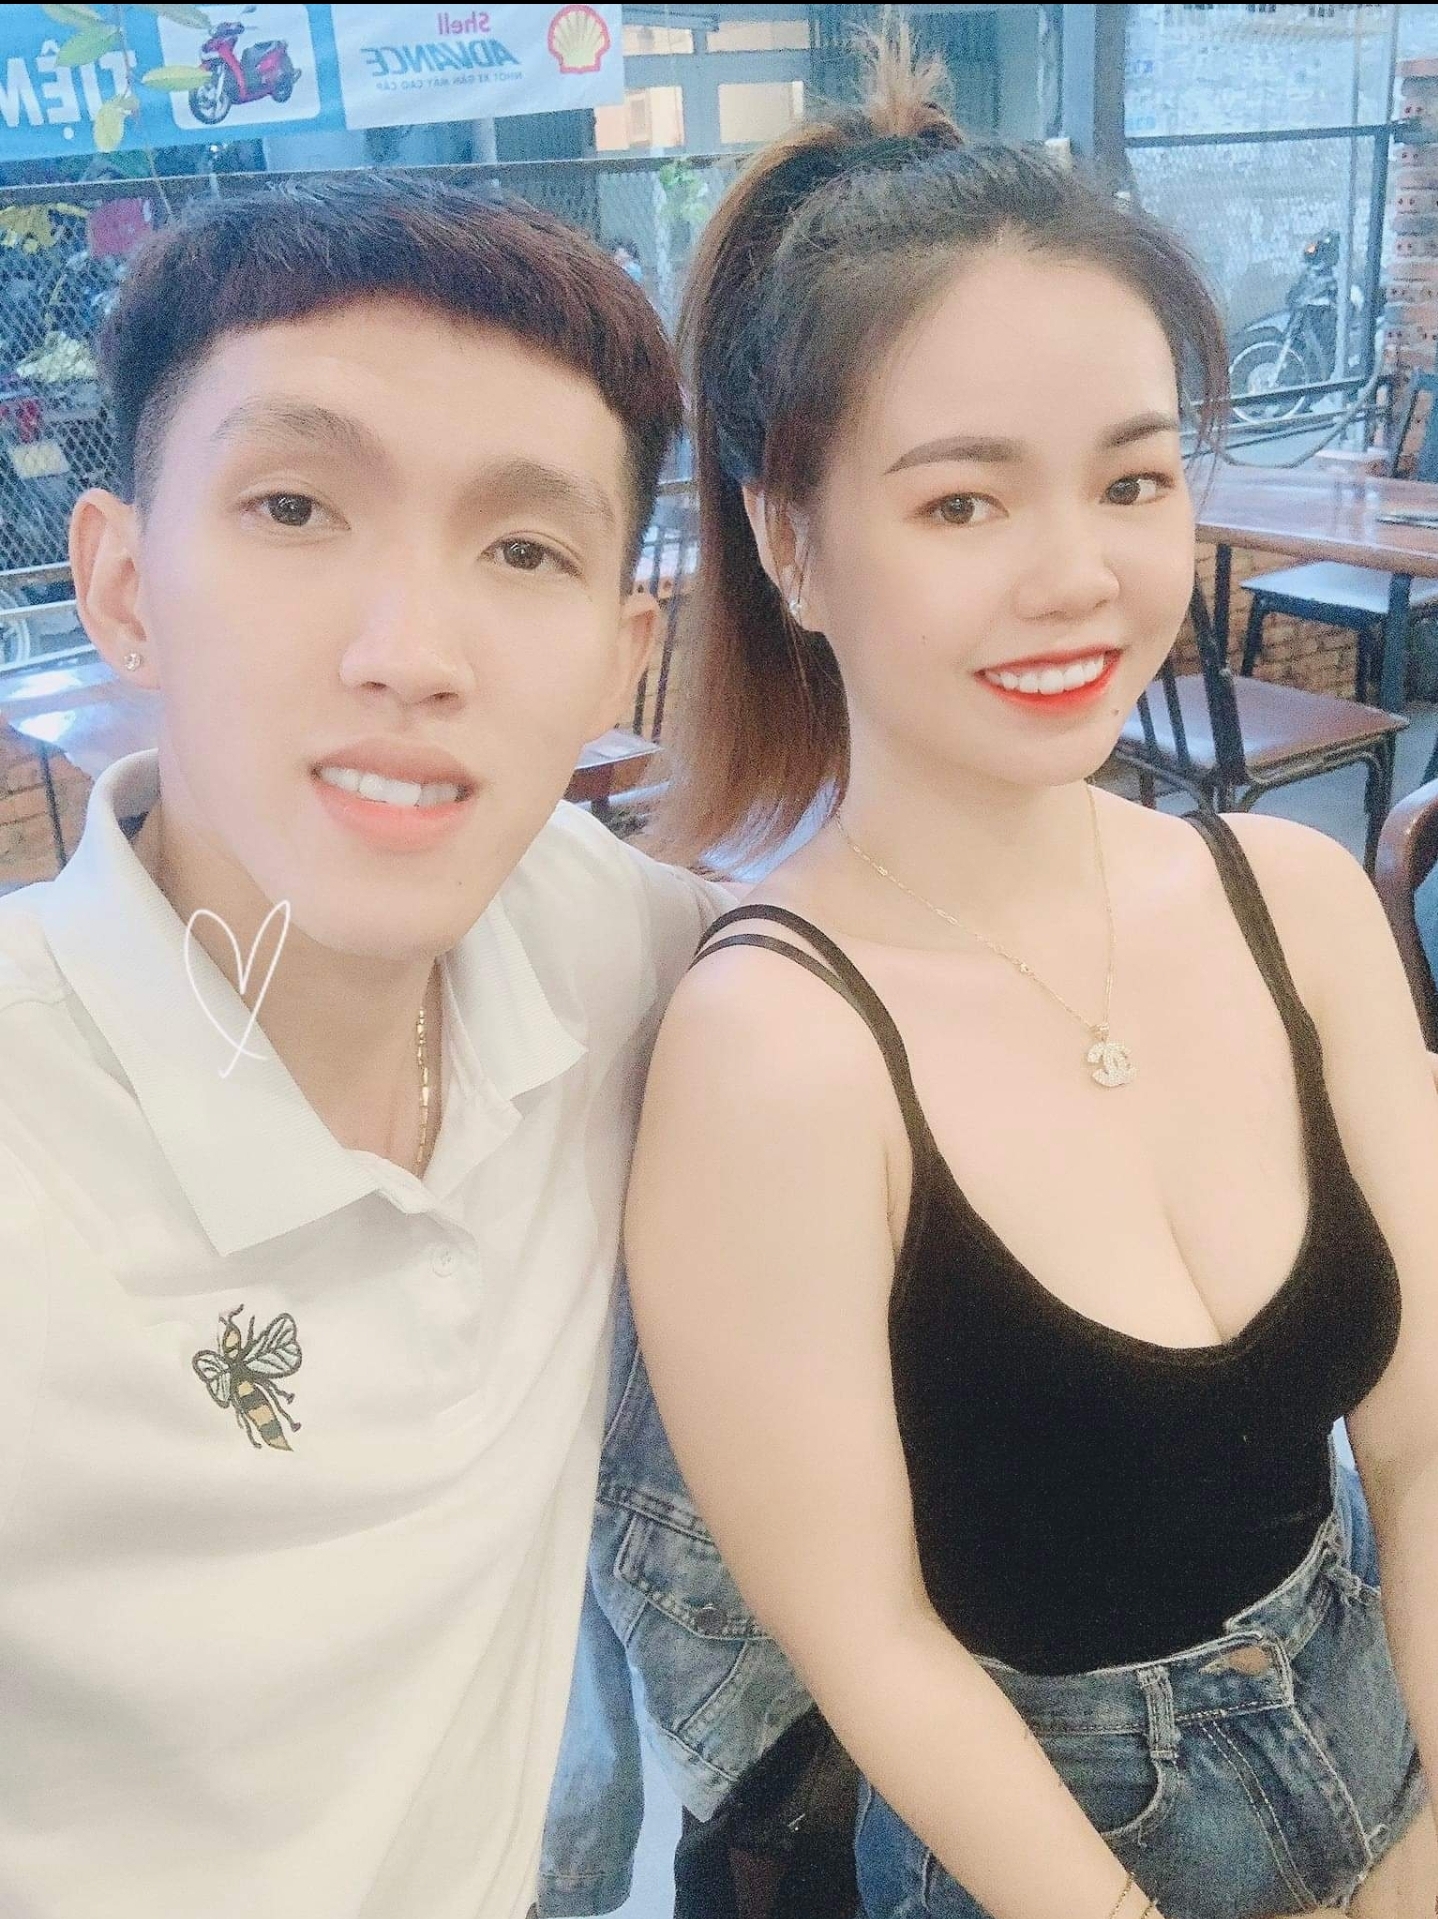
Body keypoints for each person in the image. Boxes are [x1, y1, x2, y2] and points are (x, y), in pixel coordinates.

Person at [622, 32, 1438, 1919]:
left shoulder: (1297, 902)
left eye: (1131, 481)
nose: (1076, 576)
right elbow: (872, 1643)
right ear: (788, 544)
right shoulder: (775, 1045)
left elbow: (1415, 1441)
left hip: (1385, 1744)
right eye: (961, 504)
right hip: (1048, 1857)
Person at [0, 174, 732, 1919]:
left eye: (525, 551)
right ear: (122, 585)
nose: (412, 654)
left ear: (620, 659)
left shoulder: (608, 946)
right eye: (292, 507)